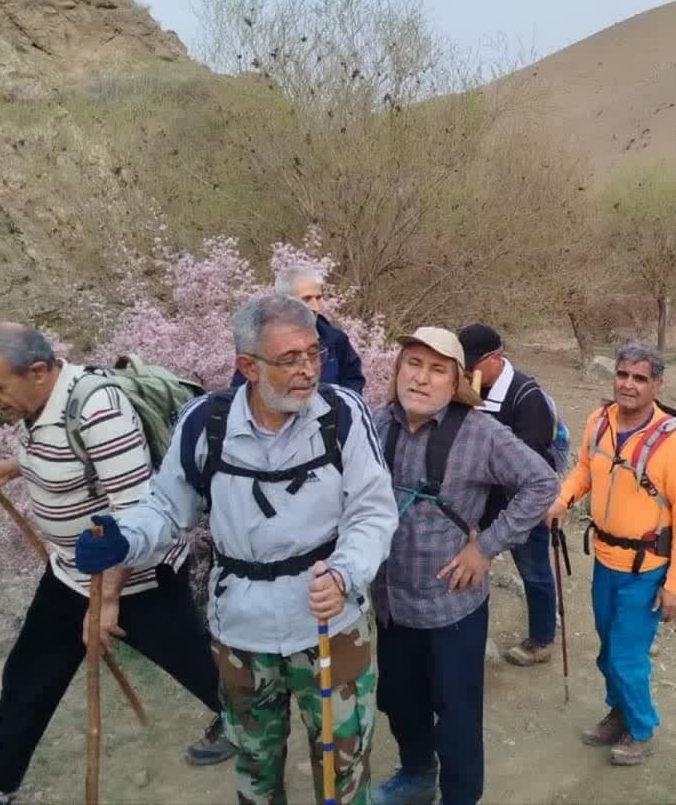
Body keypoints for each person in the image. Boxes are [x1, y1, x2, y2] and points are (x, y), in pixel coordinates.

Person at [75, 295, 398, 805]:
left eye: (313, 354)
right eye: (289, 359)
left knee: (344, 768)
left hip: (331, 624)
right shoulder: (206, 423)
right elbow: (166, 509)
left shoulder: (343, 415)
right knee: (254, 766)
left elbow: (373, 512)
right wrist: (123, 539)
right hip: (241, 632)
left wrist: (345, 573)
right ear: (248, 366)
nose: (308, 370)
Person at [0, 323, 231, 805]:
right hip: (71, 572)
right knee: (28, 678)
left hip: (139, 577)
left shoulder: (99, 410)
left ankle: (244, 722)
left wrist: (106, 601)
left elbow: (132, 513)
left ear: (38, 371)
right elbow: (65, 456)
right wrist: (9, 467)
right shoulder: (38, 404)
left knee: (193, 663)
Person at [371, 327, 559, 805]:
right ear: (398, 369)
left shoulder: (481, 433)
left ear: (456, 381)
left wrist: (487, 547)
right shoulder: (376, 424)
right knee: (399, 700)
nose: (421, 378)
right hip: (391, 603)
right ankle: (417, 774)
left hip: (451, 607)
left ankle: (460, 796)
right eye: (413, 364)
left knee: (456, 714)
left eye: (437, 370)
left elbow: (542, 484)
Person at [544, 340, 676, 766]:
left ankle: (642, 728)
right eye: (622, 374)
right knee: (607, 646)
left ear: (657, 385)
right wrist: (563, 498)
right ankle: (619, 713)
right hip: (605, 560)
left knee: (626, 655)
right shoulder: (599, 421)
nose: (628, 385)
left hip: (647, 570)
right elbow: (584, 468)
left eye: (640, 378)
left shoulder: (673, 444)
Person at [457, 322, 559, 667]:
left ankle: (542, 639)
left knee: (534, 571)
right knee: (471, 568)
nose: (467, 372)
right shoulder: (469, 390)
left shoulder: (526, 397)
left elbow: (530, 460)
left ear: (495, 359)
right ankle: (469, 636)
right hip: (478, 504)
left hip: (519, 506)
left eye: (472, 365)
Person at [230, 265, 365, 394]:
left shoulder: (335, 339)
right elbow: (241, 392)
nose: (316, 307)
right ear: (284, 302)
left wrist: (339, 406)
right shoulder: (259, 342)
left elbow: (353, 381)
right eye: (307, 299)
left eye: (318, 298)